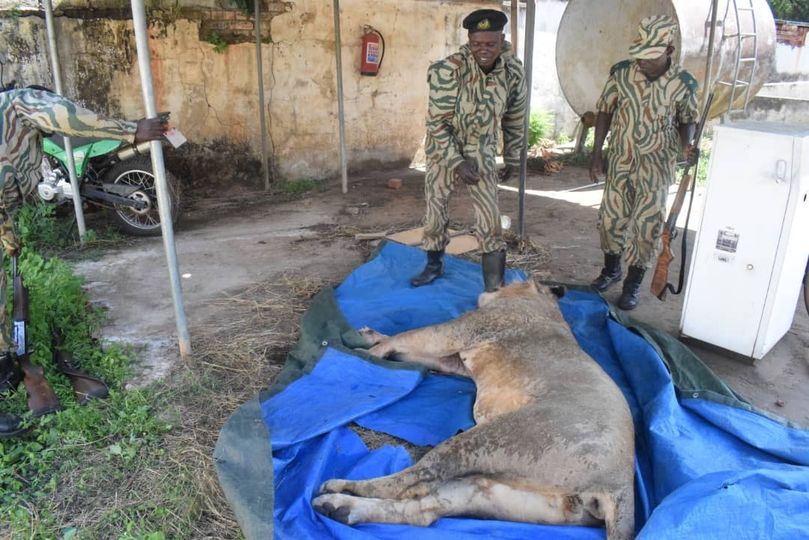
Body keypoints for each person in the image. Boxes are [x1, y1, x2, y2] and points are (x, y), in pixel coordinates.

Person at [0, 86, 166, 438]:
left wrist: (7, 235)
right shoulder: (21, 102)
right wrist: (131, 130)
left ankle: (5, 369)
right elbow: (68, 117)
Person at [410, 9, 527, 292]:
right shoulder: (447, 70)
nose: (483, 50)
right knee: (435, 212)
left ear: (502, 40)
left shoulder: (512, 73)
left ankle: (494, 288)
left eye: (490, 44)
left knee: (490, 217)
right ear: (468, 40)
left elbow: (515, 118)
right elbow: (437, 125)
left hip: (482, 150)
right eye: (477, 44)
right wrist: (457, 162)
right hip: (444, 151)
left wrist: (512, 156)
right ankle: (434, 264)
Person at [589, 15, 699, 310]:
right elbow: (605, 111)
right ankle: (611, 270)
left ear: (669, 51)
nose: (642, 62)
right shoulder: (622, 74)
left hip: (656, 166)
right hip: (621, 160)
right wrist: (597, 152)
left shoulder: (682, 83)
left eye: (650, 57)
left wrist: (686, 145)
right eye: (638, 56)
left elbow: (688, 119)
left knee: (647, 227)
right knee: (610, 221)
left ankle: (633, 284)